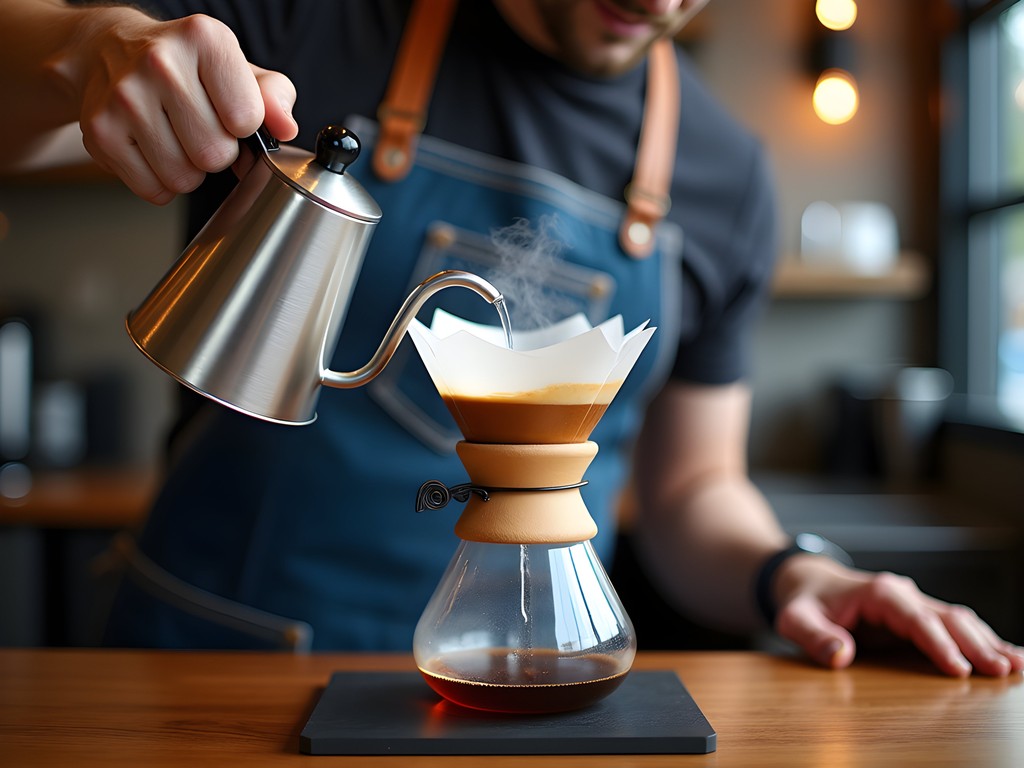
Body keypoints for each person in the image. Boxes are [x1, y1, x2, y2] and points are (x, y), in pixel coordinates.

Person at [2, 0, 1022, 677]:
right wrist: (84, 52)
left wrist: (794, 572)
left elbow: (688, 492)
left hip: (519, 687)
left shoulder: (726, 177)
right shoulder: (313, 24)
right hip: (205, 665)